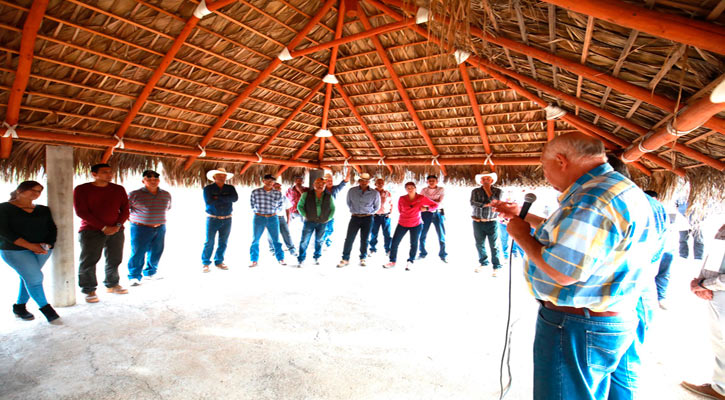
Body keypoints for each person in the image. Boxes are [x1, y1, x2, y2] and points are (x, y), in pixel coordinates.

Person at [492, 132, 665, 399]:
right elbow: (577, 240)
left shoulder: (592, 199)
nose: (546, 176)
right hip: (611, 316)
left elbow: (562, 271)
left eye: (544, 167)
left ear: (561, 160)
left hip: (578, 324)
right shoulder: (616, 189)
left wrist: (521, 235)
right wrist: (522, 217)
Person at [0, 181, 60, 323]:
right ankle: (48, 312)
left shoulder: (43, 209)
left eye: (39, 191)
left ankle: (19, 307)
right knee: (35, 278)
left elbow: (52, 228)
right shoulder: (4, 208)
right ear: (20, 190)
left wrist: (48, 244)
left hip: (41, 250)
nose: (36, 193)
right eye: (32, 190)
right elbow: (4, 232)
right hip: (15, 250)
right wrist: (30, 246)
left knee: (28, 277)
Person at [74, 163, 130, 303]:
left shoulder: (118, 189)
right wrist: (103, 227)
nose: (109, 175)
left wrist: (117, 225)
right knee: (89, 260)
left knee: (114, 258)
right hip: (91, 230)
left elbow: (125, 209)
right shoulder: (82, 189)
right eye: (105, 172)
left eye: (110, 172)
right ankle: (89, 289)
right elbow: (81, 212)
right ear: (94, 174)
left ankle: (112, 284)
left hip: (116, 230)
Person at [681, 224, 725, 400]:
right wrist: (701, 282)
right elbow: (715, 256)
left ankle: (722, 388)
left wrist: (705, 284)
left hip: (718, 289)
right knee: (719, 340)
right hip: (715, 289)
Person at [127, 170, 172, 285]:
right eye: (149, 178)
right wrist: (134, 220)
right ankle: (134, 276)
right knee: (138, 251)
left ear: (159, 180)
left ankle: (150, 272)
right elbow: (123, 210)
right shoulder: (134, 194)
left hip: (160, 227)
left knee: (157, 250)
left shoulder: (166, 194)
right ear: (143, 181)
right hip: (140, 228)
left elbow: (168, 208)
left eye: (155, 179)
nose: (153, 181)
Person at [383, 181, 438, 271]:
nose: (410, 189)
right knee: (395, 242)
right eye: (408, 188)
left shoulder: (421, 198)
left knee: (414, 243)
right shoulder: (402, 198)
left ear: (415, 188)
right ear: (405, 189)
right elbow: (400, 210)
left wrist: (427, 208)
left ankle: (410, 261)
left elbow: (435, 205)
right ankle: (392, 261)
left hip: (416, 224)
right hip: (402, 223)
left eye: (412, 187)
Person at [337, 173, 380, 268]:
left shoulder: (374, 193)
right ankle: (345, 258)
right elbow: (348, 203)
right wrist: (355, 211)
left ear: (369, 182)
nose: (364, 182)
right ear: (359, 181)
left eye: (366, 181)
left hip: (368, 218)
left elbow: (377, 207)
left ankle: (363, 258)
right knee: (349, 238)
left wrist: (369, 212)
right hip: (355, 217)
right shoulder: (352, 191)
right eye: (362, 180)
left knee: (365, 239)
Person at [202, 167, 238, 273]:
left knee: (223, 242)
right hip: (212, 219)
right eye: (219, 176)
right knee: (209, 241)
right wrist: (226, 198)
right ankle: (205, 263)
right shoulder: (208, 189)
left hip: (227, 219)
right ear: (214, 177)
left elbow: (235, 199)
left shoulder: (230, 188)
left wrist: (218, 197)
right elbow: (209, 202)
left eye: (224, 176)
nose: (222, 177)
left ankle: (219, 261)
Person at [644, 190, 675, 310]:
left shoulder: (658, 209)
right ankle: (659, 298)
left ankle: (661, 297)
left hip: (662, 247)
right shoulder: (659, 208)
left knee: (662, 273)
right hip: (660, 248)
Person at [295, 178, 335, 267]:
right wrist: (305, 215)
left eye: (322, 184)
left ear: (325, 186)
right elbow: (300, 206)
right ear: (314, 185)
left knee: (319, 240)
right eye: (318, 183)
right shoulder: (306, 194)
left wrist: (328, 218)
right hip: (309, 221)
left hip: (322, 222)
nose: (320, 185)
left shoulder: (329, 196)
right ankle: (301, 259)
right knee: (304, 241)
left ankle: (317, 257)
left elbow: (333, 209)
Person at [250, 174, 286, 268]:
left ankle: (281, 259)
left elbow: (280, 206)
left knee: (276, 240)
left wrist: (273, 213)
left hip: (273, 218)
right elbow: (252, 205)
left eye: (272, 181)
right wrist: (259, 213)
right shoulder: (255, 192)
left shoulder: (278, 193)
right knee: (255, 240)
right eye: (268, 180)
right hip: (259, 218)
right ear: (263, 181)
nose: (270, 183)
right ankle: (254, 260)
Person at [470, 172, 503, 276]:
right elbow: (473, 203)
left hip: (491, 222)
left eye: (488, 179)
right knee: (479, 244)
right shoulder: (475, 191)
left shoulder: (498, 191)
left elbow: (496, 203)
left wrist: (488, 190)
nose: (485, 180)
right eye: (483, 179)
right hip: (478, 221)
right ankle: (483, 263)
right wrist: (486, 204)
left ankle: (496, 266)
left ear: (492, 180)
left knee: (494, 245)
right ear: (480, 181)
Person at [418, 175, 447, 263]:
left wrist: (429, 204)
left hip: (438, 213)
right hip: (425, 214)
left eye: (433, 180)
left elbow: (440, 203)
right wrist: (433, 203)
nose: (431, 182)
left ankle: (443, 254)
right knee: (422, 234)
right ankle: (422, 253)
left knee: (441, 235)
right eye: (429, 180)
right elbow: (421, 201)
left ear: (437, 181)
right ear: (427, 182)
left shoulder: (441, 189)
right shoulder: (424, 190)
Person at [321, 170, 350, 249]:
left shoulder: (335, 189)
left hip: (331, 214)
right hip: (322, 214)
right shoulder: (321, 190)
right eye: (328, 181)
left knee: (330, 229)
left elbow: (345, 181)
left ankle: (326, 242)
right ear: (325, 182)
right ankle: (323, 242)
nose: (330, 182)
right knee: (323, 229)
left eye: (331, 180)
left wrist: (348, 169)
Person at [267, 182, 296, 257]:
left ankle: (292, 250)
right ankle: (273, 250)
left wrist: (288, 220)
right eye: (277, 188)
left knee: (286, 234)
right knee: (271, 235)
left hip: (281, 218)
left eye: (280, 188)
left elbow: (287, 209)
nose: (279, 189)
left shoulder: (283, 197)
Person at [369, 177, 393, 256]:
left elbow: (391, 203)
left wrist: (390, 213)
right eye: (378, 182)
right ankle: (372, 249)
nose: (380, 184)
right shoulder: (371, 192)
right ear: (375, 184)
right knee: (373, 233)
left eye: (382, 183)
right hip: (375, 216)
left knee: (387, 234)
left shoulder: (387, 193)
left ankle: (388, 250)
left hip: (385, 216)